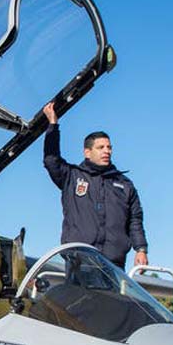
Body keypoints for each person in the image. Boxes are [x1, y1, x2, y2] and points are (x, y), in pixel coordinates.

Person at [41, 102, 148, 270]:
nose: (107, 151)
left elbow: (135, 219)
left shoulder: (125, 184)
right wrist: (53, 125)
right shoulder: (72, 176)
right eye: (101, 147)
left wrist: (141, 249)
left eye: (109, 147)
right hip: (80, 260)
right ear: (87, 152)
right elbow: (51, 160)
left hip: (114, 265)